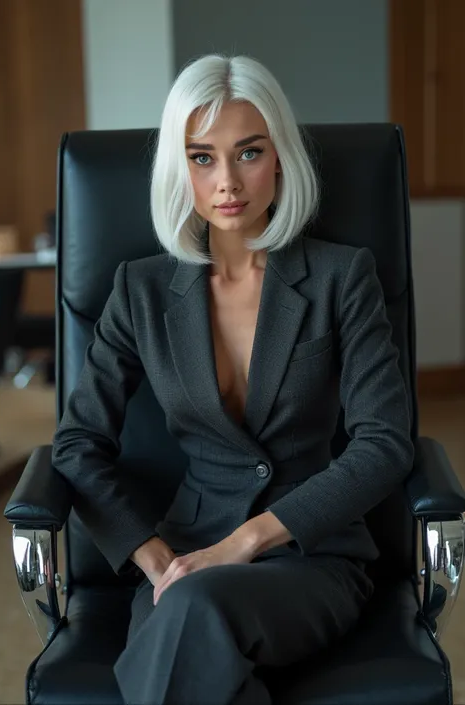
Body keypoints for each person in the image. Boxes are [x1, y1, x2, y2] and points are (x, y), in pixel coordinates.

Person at [51, 54, 414, 704]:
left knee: (185, 625)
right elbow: (78, 444)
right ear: (178, 168)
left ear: (279, 157)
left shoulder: (341, 277)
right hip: (184, 556)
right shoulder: (140, 290)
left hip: (311, 555)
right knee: (194, 635)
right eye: (202, 157)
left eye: (248, 152)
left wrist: (246, 541)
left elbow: (384, 442)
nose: (227, 181)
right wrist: (156, 555)